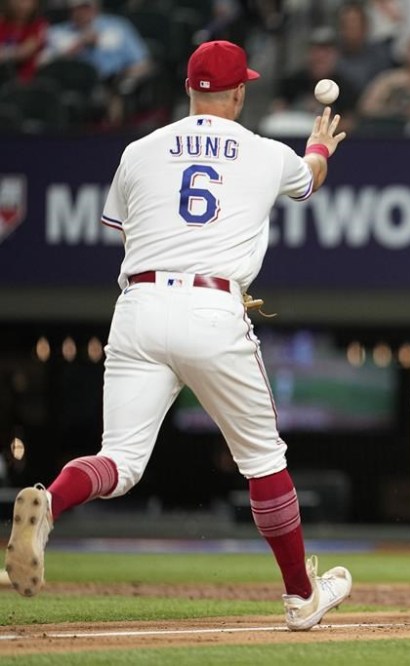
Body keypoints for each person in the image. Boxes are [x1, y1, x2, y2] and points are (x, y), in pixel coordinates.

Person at [3, 40, 353, 632]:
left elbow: (123, 228)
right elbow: (310, 178)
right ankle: (301, 597)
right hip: (212, 306)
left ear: (190, 88)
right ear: (240, 92)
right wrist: (318, 146)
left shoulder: (139, 150)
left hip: (138, 302)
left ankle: (50, 502)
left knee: (119, 460)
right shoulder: (265, 151)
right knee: (264, 460)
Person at [0, 0, 48, 83]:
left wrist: (5, 53)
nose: (20, 5)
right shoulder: (2, 22)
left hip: (26, 82)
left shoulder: (39, 25)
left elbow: (24, 53)